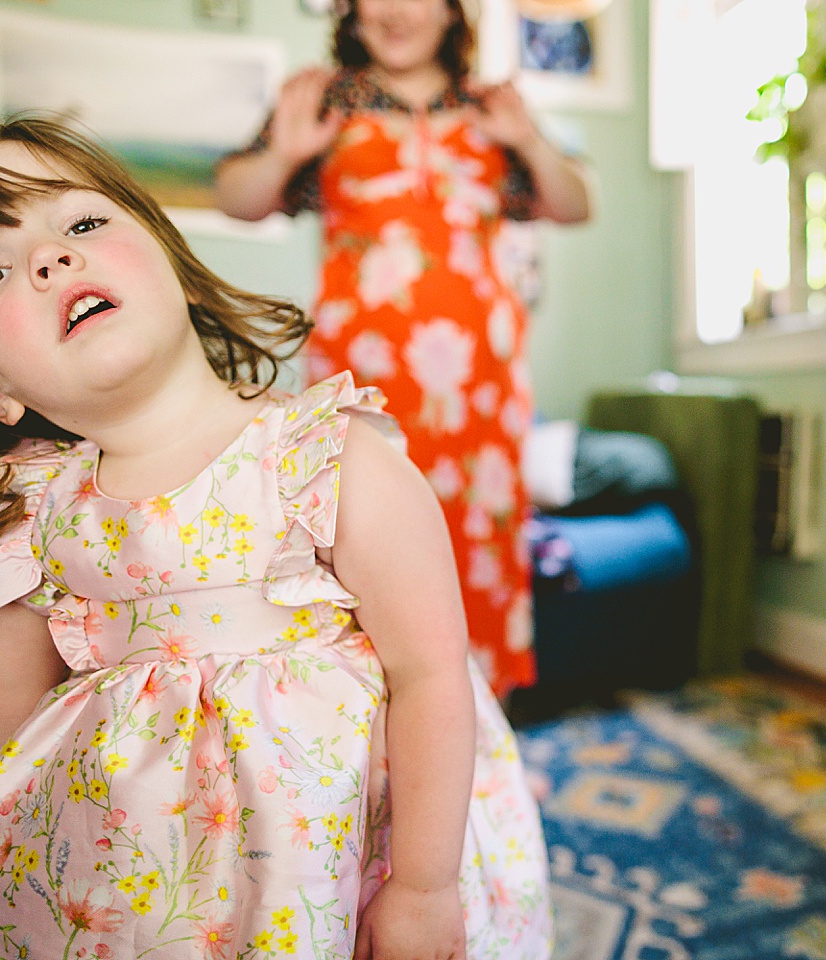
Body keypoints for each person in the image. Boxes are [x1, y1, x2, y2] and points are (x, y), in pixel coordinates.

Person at [0, 117, 551, 960]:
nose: (49, 260)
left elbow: (432, 675)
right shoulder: (30, 512)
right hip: (126, 871)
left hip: (339, 856)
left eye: (80, 223)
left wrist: (423, 887)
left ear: (170, 260)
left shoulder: (327, 457)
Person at [213, 0, 592, 700]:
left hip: (484, 378)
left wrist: (531, 141)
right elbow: (236, 196)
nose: (394, 9)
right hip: (364, 374)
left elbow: (575, 204)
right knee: (364, 544)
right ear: (350, 12)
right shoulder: (323, 98)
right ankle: (378, 747)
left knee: (481, 546)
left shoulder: (491, 104)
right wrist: (287, 153)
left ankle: (486, 761)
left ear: (452, 11)